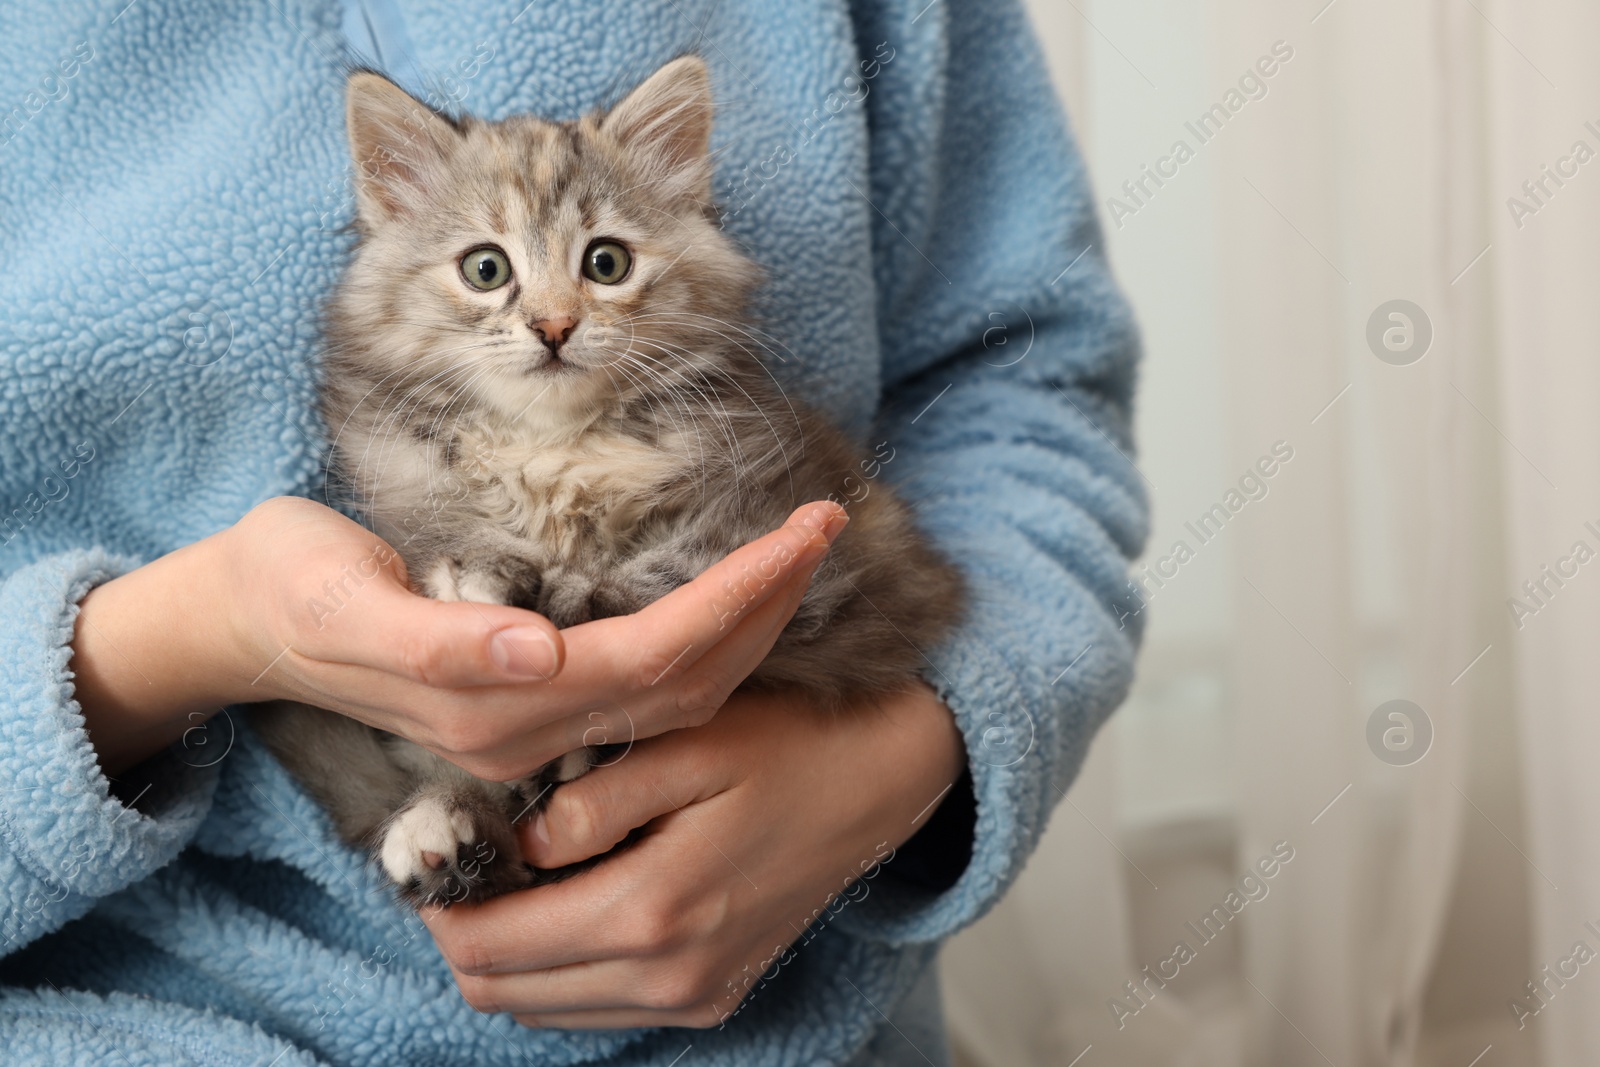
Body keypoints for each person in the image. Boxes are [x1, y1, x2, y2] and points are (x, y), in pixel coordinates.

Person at [0, 0, 1146, 1063]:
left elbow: (1023, 382)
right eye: (488, 271)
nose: (551, 319)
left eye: (603, 265)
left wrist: (904, 755)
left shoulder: (729, 428)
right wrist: (189, 636)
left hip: (798, 1021)